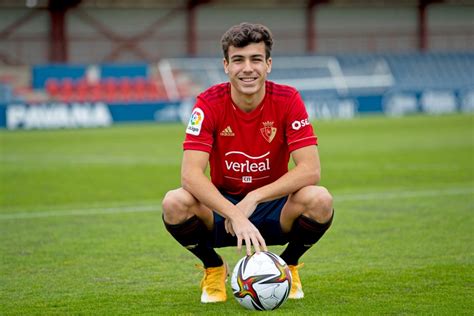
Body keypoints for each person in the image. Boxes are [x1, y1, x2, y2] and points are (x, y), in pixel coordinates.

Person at [162, 22, 334, 304]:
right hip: (222, 208)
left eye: (256, 59)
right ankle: (213, 267)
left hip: (273, 206)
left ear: (268, 64)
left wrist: (254, 198)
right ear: (226, 65)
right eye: (238, 60)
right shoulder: (208, 103)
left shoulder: (288, 99)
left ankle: (286, 266)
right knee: (174, 203)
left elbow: (310, 169)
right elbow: (190, 175)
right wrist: (235, 214)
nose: (247, 68)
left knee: (320, 199)